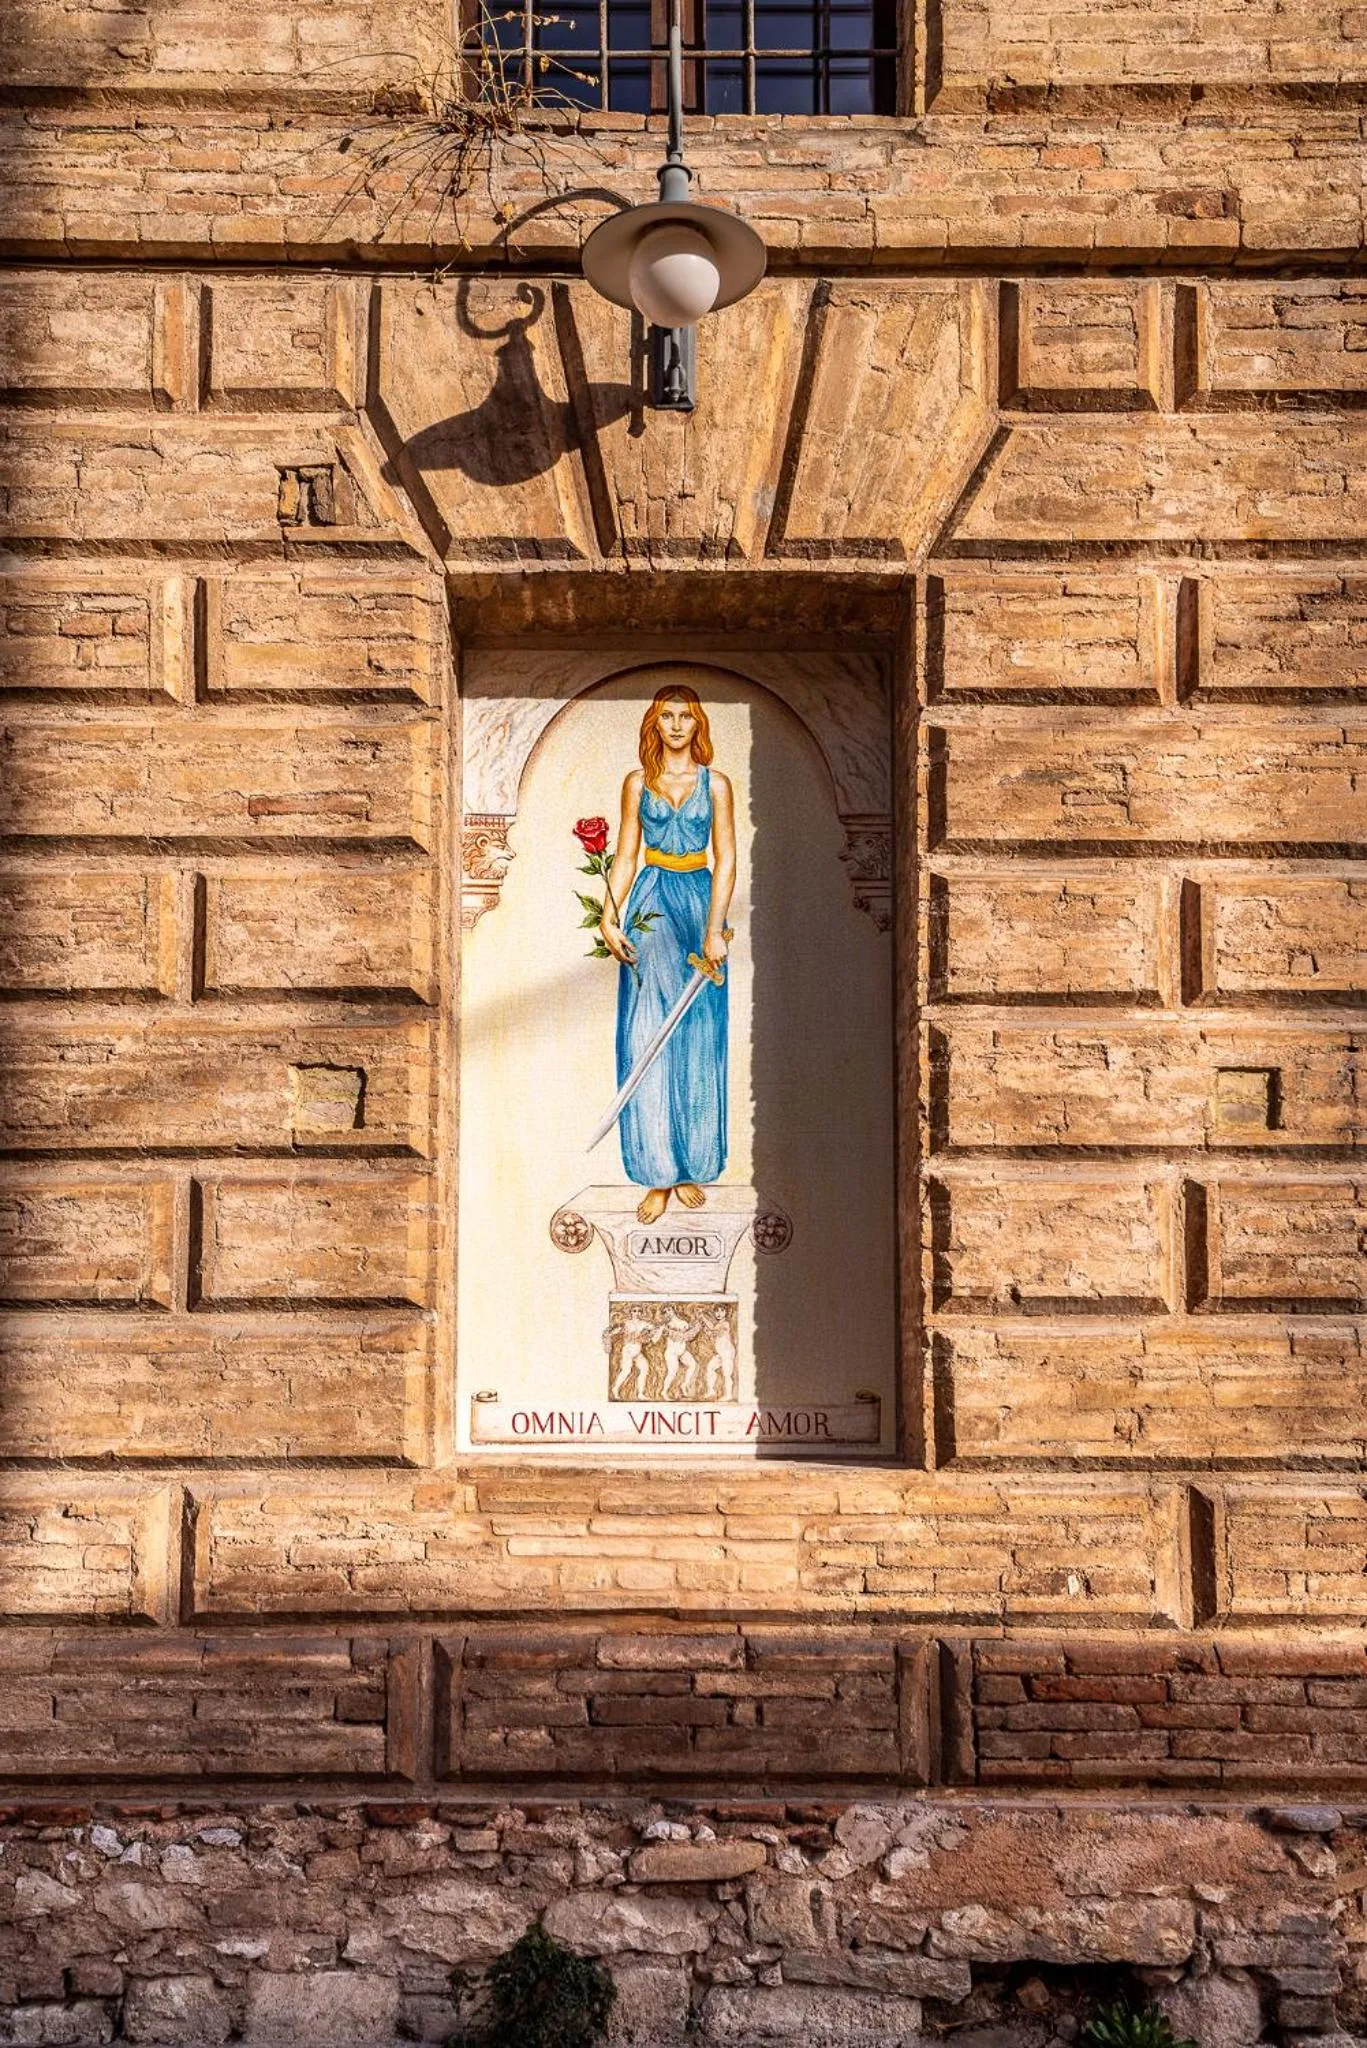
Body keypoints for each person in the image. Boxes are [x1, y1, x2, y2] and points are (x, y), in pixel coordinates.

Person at [598, 684, 736, 1225]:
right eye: (666, 716)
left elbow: (726, 859)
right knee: (645, 1032)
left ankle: (689, 1167)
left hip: (699, 905)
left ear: (697, 723)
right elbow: (626, 855)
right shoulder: (637, 783)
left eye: (685, 716)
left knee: (697, 1032)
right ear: (654, 724)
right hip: (651, 903)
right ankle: (656, 1172)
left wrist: (715, 929)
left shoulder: (715, 784)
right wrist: (610, 916)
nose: (676, 725)